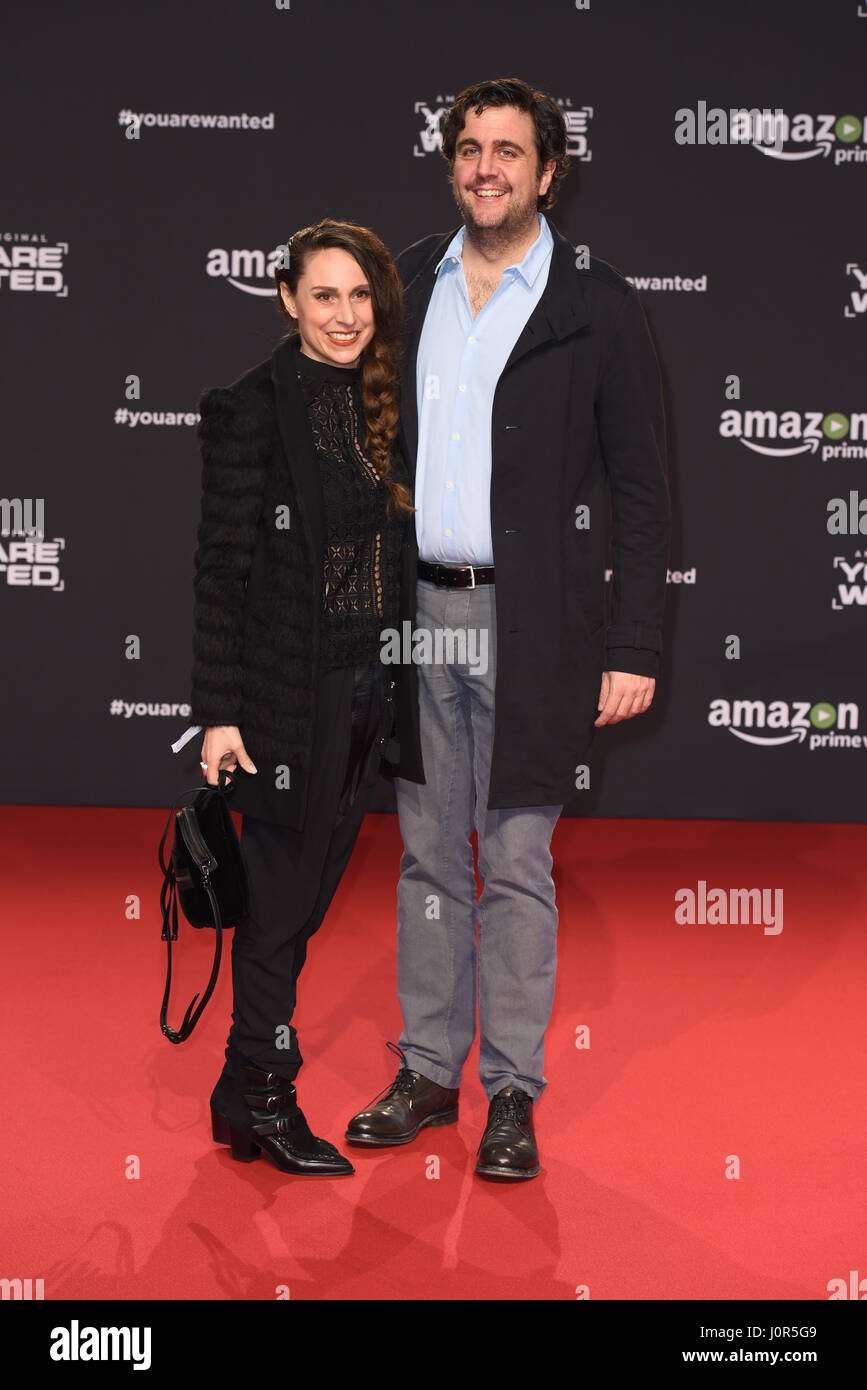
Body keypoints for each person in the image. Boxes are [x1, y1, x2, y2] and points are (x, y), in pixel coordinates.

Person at [345, 77, 672, 1180]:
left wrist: (633, 645)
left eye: (509, 151)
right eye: (470, 148)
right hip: (422, 609)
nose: (487, 166)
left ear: (548, 171)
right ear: (452, 165)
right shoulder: (408, 287)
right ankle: (430, 1070)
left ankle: (514, 1092)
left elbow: (642, 488)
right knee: (429, 856)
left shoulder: (598, 301)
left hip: (535, 623)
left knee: (517, 859)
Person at [189, 219, 414, 1176]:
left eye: (359, 296)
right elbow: (221, 568)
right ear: (287, 301)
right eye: (324, 296)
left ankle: (243, 1090)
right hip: (289, 697)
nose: (343, 315)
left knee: (307, 900)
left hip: (370, 689)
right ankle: (263, 1092)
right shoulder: (250, 409)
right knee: (281, 904)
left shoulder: (386, 402)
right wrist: (221, 710)